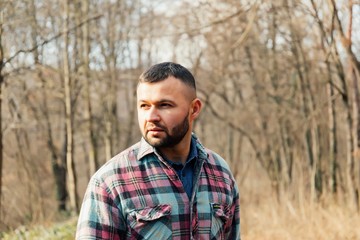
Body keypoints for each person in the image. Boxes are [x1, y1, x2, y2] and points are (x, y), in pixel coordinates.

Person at [76, 62, 241, 239]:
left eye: (164, 105)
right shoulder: (110, 181)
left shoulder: (220, 172)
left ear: (194, 109)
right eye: (144, 106)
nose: (151, 117)